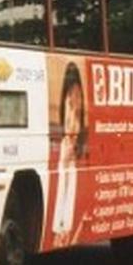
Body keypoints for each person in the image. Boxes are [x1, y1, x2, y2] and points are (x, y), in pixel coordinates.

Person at [51, 62, 88, 248]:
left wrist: (73, 138)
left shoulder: (74, 94)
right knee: (63, 180)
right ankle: (60, 227)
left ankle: (65, 227)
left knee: (69, 180)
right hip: (67, 140)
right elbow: (71, 117)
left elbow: (74, 118)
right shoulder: (71, 94)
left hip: (70, 140)